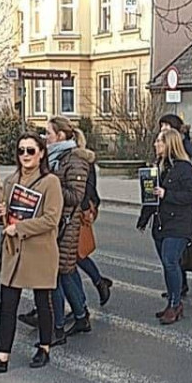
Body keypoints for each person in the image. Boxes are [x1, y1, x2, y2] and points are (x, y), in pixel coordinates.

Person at [0, 133, 63, 372]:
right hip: (14, 252)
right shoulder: (11, 180)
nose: (25, 155)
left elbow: (51, 219)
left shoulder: (50, 182)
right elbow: (5, 219)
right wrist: (0, 213)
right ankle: (2, 356)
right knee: (7, 303)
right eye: (21, 150)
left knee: (42, 301)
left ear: (41, 153)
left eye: (31, 151)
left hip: (39, 251)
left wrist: (19, 228)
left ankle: (44, 346)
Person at [137, 127, 192, 324]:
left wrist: (167, 194)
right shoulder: (160, 166)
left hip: (179, 224)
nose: (156, 145)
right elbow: (151, 196)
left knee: (170, 260)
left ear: (169, 144)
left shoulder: (185, 168)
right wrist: (144, 218)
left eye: (159, 142)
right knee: (167, 264)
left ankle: (175, 303)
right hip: (161, 223)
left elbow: (191, 195)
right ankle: (172, 301)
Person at [44, 116, 95, 341]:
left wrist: (50, 183)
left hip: (67, 223)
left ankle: (59, 327)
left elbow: (76, 196)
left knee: (58, 273)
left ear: (61, 136)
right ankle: (80, 316)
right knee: (64, 273)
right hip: (56, 222)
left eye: (49, 133)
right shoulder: (57, 157)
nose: (45, 138)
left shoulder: (75, 159)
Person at [74, 133, 113, 306]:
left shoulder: (82, 161)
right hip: (79, 208)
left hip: (80, 209)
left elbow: (86, 189)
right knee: (72, 256)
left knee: (76, 254)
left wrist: (85, 209)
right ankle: (98, 282)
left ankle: (97, 284)